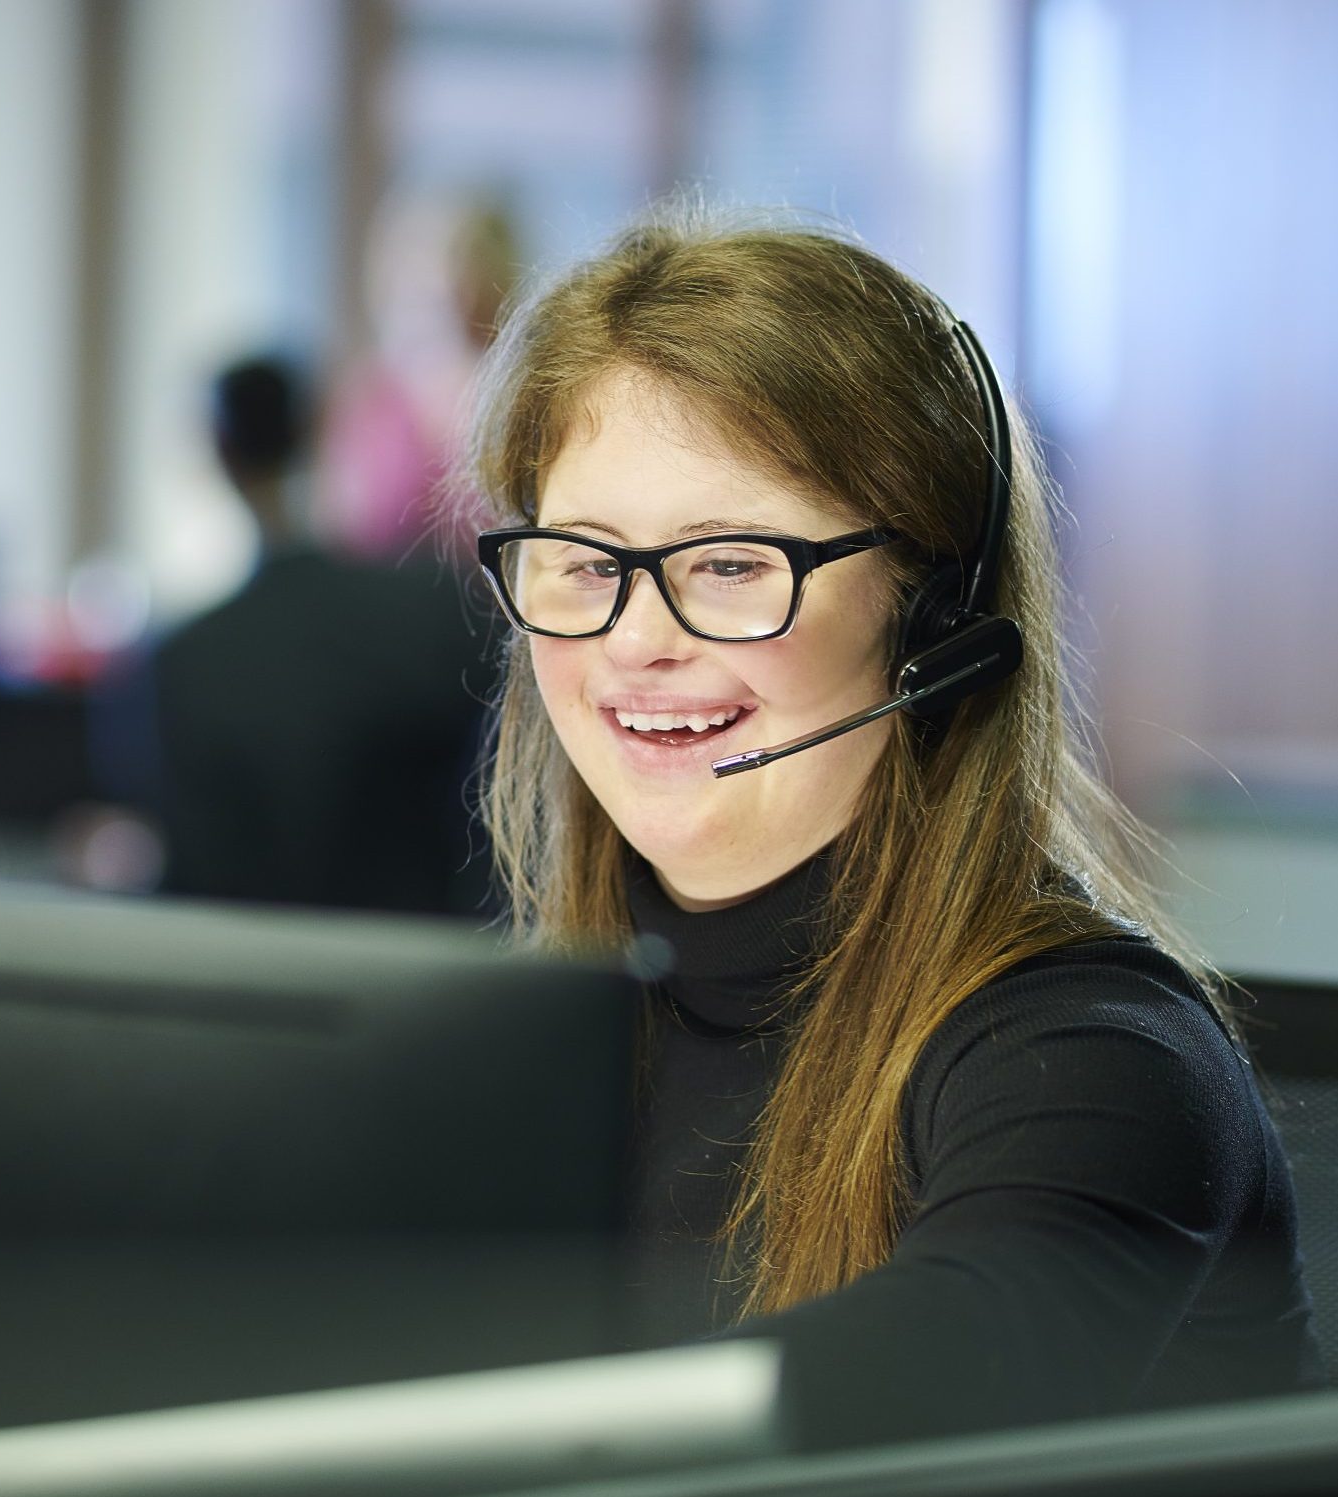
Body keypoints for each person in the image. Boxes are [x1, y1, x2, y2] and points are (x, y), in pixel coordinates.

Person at [456, 205, 1327, 1451]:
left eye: (732, 563)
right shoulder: (529, 1058)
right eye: (587, 565)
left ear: (932, 620)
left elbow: (917, 1394)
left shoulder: (1099, 1060)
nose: (638, 639)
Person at [110, 354, 492, 914]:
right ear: (315, 431)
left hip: (247, 980)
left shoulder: (179, 665)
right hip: (430, 970)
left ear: (218, 451)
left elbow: (183, 867)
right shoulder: (441, 611)